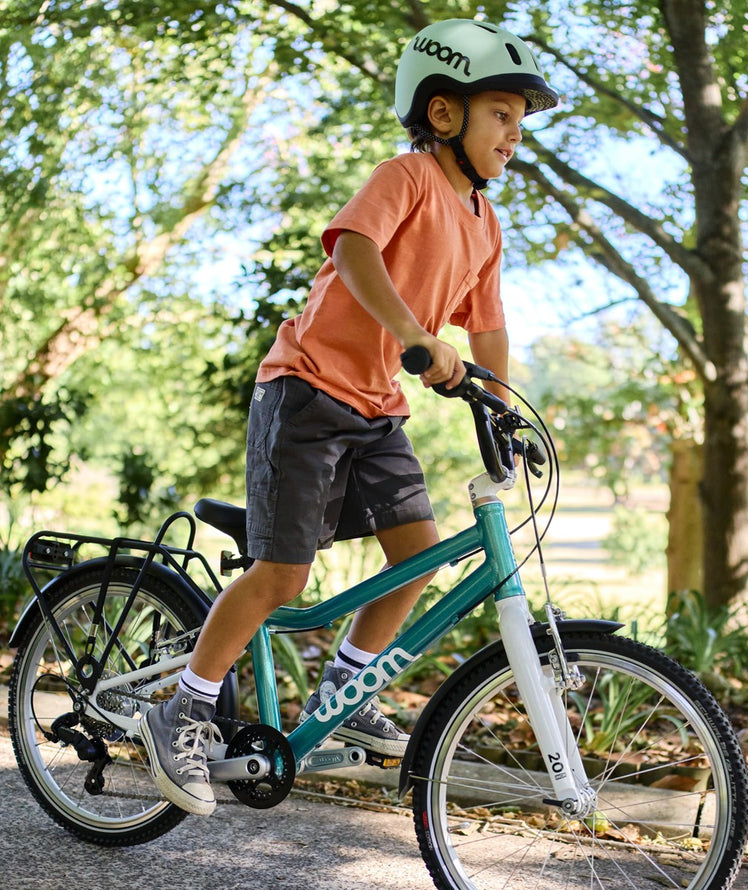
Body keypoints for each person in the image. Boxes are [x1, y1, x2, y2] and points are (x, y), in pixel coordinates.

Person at [140, 18, 558, 816]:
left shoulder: (485, 221)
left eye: (520, 120)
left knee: (420, 552)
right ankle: (182, 710)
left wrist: (503, 412)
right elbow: (355, 250)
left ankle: (346, 686)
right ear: (444, 114)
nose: (514, 133)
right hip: (306, 391)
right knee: (282, 574)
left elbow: (491, 325)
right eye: (501, 113)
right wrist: (412, 335)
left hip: (376, 411)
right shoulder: (405, 178)